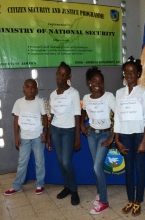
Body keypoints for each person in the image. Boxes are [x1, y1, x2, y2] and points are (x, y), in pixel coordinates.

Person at [114, 56, 145, 217]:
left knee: (139, 168)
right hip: (125, 135)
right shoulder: (119, 92)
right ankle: (130, 199)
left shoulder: (143, 93)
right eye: (127, 71)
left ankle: (138, 201)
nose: (129, 74)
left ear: (138, 74)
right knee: (128, 169)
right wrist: (116, 139)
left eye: (133, 71)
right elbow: (117, 117)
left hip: (138, 135)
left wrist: (144, 140)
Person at [80, 67, 116, 214]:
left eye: (100, 81)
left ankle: (104, 202)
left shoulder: (109, 96)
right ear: (89, 82)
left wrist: (112, 137)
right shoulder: (86, 98)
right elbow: (82, 112)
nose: (98, 84)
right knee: (97, 168)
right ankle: (100, 193)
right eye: (94, 81)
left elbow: (119, 115)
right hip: (92, 135)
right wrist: (82, 124)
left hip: (105, 135)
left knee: (96, 167)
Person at [4, 79, 48, 196]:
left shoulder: (39, 102)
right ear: (23, 88)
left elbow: (45, 117)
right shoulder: (19, 102)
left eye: (33, 87)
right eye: (28, 87)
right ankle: (17, 186)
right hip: (24, 137)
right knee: (22, 162)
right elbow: (16, 120)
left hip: (38, 137)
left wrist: (45, 133)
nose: (30, 90)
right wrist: (16, 136)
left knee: (39, 161)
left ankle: (40, 184)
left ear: (36, 90)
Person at [47, 62, 81, 206]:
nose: (60, 77)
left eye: (64, 74)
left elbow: (77, 115)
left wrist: (77, 138)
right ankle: (66, 187)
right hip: (55, 129)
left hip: (68, 131)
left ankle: (74, 191)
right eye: (58, 73)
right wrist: (48, 136)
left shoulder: (73, 93)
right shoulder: (52, 94)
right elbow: (52, 116)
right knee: (60, 161)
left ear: (68, 76)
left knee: (66, 161)